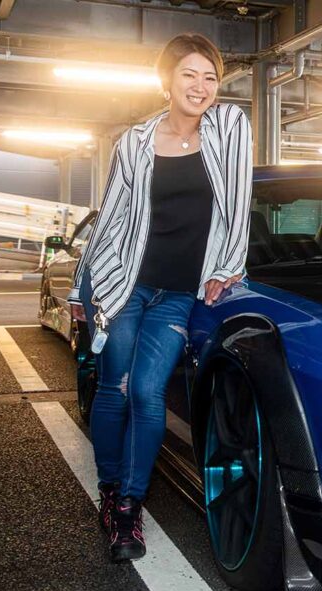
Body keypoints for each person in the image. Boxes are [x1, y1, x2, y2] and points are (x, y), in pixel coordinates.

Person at [67, 33, 253, 563]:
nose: (200, 86)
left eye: (210, 77)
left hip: (176, 293)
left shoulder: (230, 128)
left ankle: (130, 503)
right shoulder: (134, 142)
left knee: (148, 394)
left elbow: (238, 202)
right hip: (126, 284)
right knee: (115, 388)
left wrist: (227, 266)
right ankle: (110, 490)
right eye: (189, 75)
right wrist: (84, 283)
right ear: (166, 82)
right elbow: (112, 216)